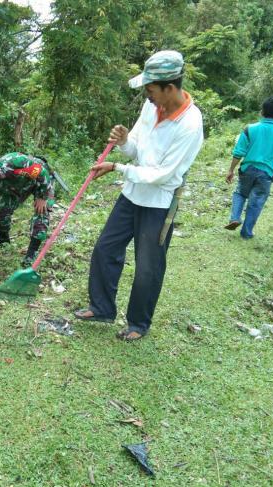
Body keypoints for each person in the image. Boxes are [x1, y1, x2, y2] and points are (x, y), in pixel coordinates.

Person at [75, 50, 204, 341]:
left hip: (158, 204)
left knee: (148, 266)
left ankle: (137, 323)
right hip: (132, 195)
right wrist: (124, 143)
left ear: (169, 87)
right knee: (106, 249)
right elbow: (137, 148)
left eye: (150, 89)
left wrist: (118, 167)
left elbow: (163, 174)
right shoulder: (151, 108)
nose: (147, 95)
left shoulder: (191, 125)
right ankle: (102, 308)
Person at [0, 152, 54, 267]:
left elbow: (41, 172)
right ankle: (3, 239)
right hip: (17, 188)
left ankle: (31, 254)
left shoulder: (14, 164)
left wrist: (42, 197)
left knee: (41, 211)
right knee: (2, 211)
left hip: (41, 181)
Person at [224, 97, 273, 239]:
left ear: (261, 112)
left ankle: (235, 217)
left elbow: (239, 152)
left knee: (240, 194)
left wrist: (231, 170)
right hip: (267, 174)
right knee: (257, 201)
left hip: (247, 169)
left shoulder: (250, 129)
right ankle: (246, 232)